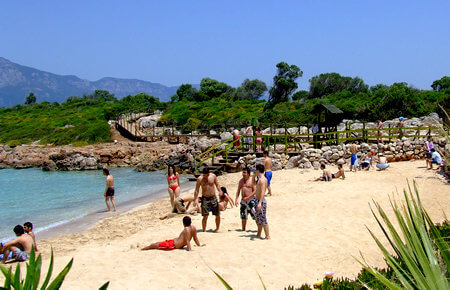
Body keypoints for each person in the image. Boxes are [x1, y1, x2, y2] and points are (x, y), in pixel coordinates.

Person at [194, 167, 223, 232]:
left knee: (217, 214)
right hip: (205, 198)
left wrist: (220, 191)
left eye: (206, 175)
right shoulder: (200, 179)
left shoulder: (213, 176)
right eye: (204, 175)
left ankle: (217, 228)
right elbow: (197, 190)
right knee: (205, 215)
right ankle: (204, 230)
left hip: (213, 197)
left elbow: (217, 184)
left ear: (209, 173)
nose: (205, 177)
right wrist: (195, 199)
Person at [253, 164, 270, 239]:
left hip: (261, 201)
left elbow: (263, 191)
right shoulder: (259, 179)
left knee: (263, 218)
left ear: (258, 170)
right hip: (257, 200)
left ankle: (267, 235)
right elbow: (254, 184)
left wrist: (260, 203)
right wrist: (254, 176)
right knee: (258, 218)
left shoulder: (263, 180)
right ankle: (258, 233)